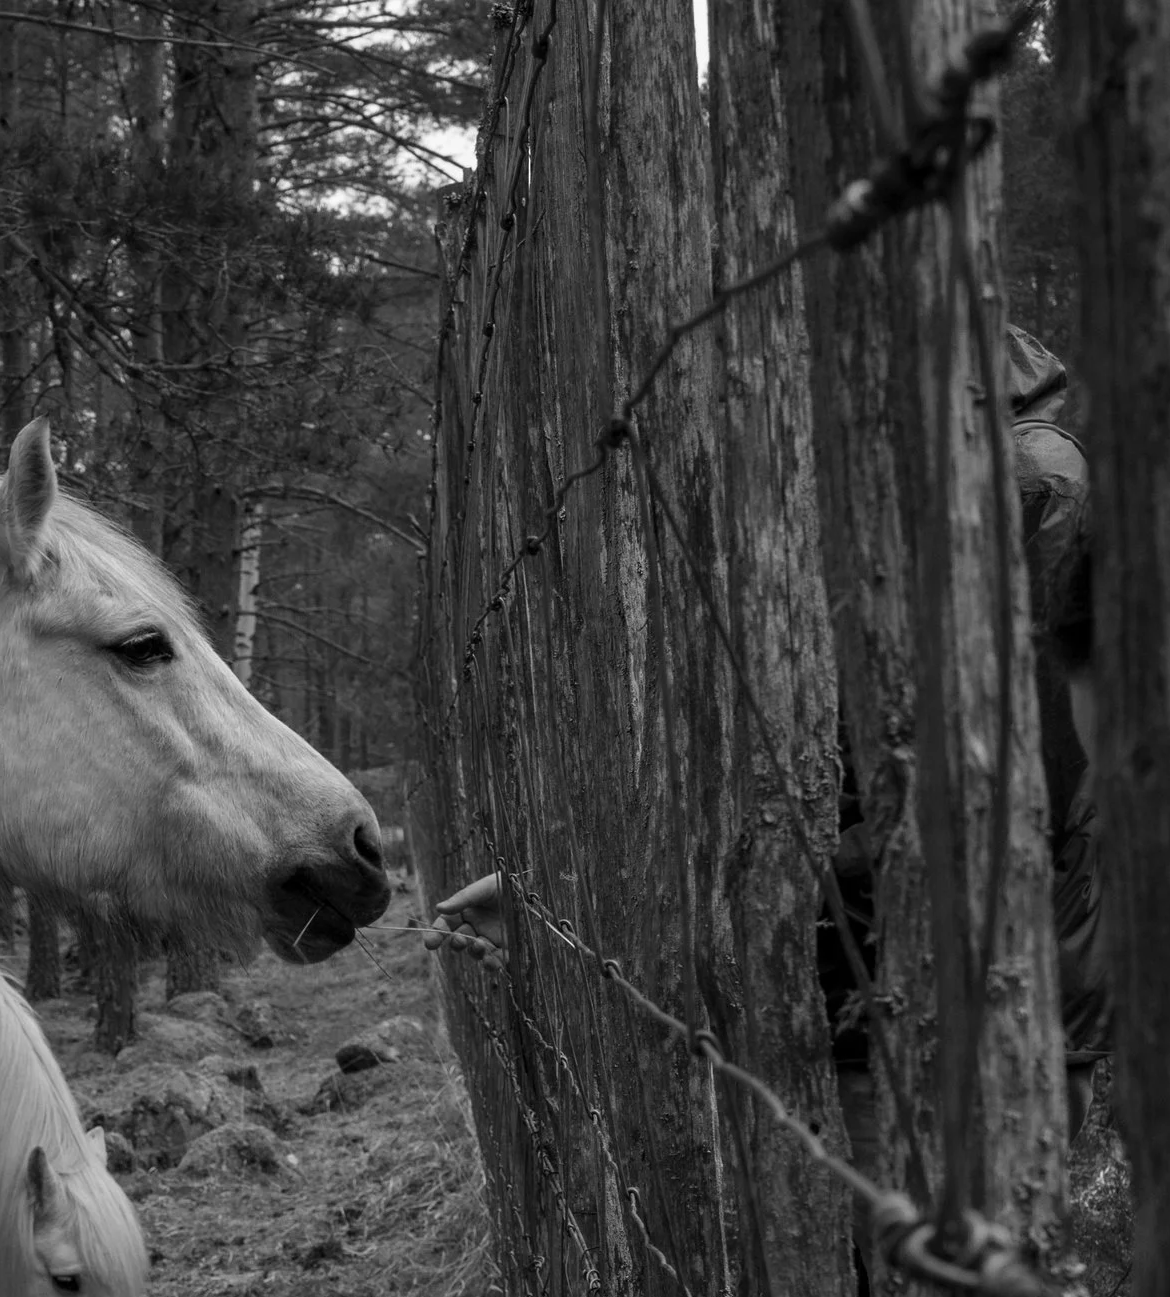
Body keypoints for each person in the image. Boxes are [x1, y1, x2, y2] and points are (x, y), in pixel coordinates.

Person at [421, 325, 1106, 1153]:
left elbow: (998, 803)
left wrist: (755, 914)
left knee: (929, 1259)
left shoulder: (1021, 485)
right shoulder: (887, 478)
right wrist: (577, 903)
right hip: (873, 974)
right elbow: (792, 763)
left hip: (966, 994)